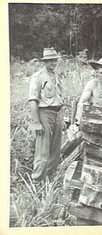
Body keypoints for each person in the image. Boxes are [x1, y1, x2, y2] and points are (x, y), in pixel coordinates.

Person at [28, 47, 65, 185]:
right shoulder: (38, 76)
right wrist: (36, 122)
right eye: (50, 61)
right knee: (42, 153)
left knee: (55, 152)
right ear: (45, 62)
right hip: (44, 114)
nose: (53, 63)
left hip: (57, 114)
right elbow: (33, 100)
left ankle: (49, 184)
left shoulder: (56, 76)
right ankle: (37, 183)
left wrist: (62, 117)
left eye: (54, 60)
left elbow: (59, 98)